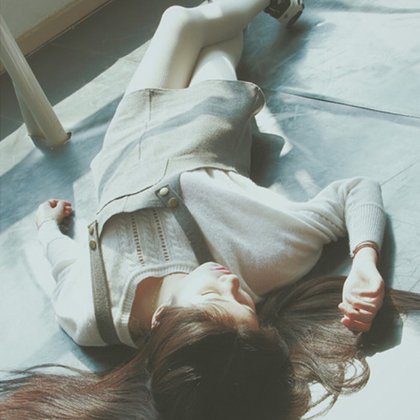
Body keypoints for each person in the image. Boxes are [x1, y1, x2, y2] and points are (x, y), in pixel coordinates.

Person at [1, 1, 419, 420]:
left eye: (213, 295)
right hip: (207, 117)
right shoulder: (264, 259)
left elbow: (67, 269)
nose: (231, 283)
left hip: (130, 133)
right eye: (246, 305)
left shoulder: (91, 317)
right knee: (205, 39)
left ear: (162, 318)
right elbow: (355, 191)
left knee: (191, 26)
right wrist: (365, 260)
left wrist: (46, 229)